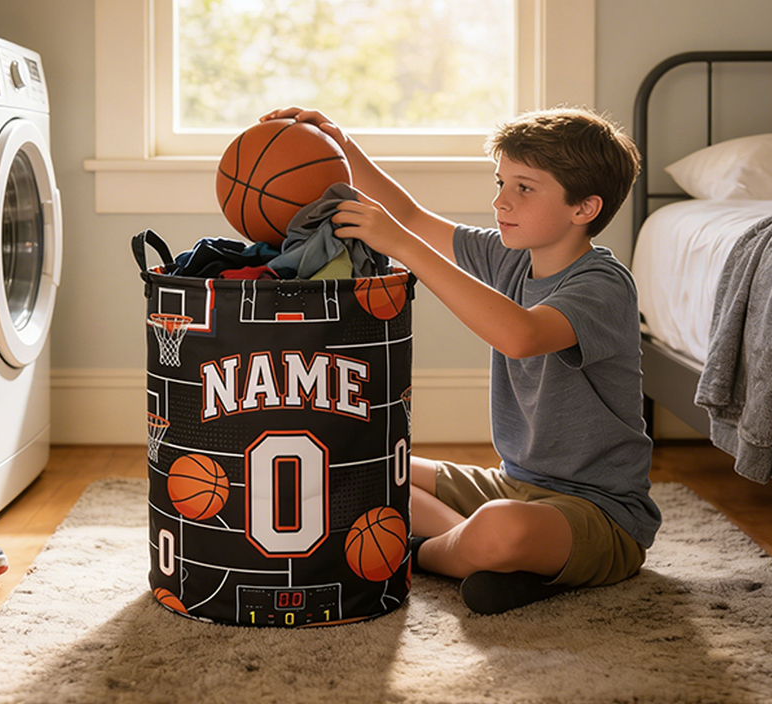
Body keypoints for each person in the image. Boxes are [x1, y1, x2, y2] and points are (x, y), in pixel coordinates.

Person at [261, 105, 662, 615]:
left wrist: (402, 247)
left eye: (524, 187)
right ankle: (481, 558)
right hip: (515, 484)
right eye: (501, 182)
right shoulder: (511, 256)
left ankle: (428, 555)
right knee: (366, 464)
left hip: (602, 514)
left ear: (583, 208)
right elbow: (409, 217)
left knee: (501, 527)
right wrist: (339, 143)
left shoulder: (603, 285)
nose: (500, 201)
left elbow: (521, 334)